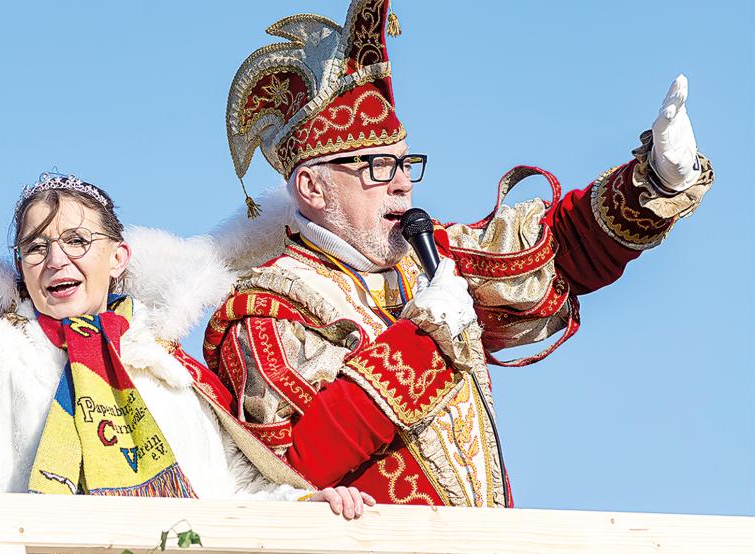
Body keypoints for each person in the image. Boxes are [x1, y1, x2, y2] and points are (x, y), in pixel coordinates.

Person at [0, 32, 374, 517]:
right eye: (36, 247)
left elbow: (236, 495)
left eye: (78, 241)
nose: (56, 260)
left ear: (119, 257)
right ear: (21, 270)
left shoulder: (171, 375)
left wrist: (312, 506)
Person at [197, 0, 715, 507]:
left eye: (406, 165)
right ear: (312, 187)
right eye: (378, 167)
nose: (402, 186)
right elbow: (287, 469)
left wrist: (655, 180)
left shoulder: (429, 261)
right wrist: (425, 338)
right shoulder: (265, 308)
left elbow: (553, 255)